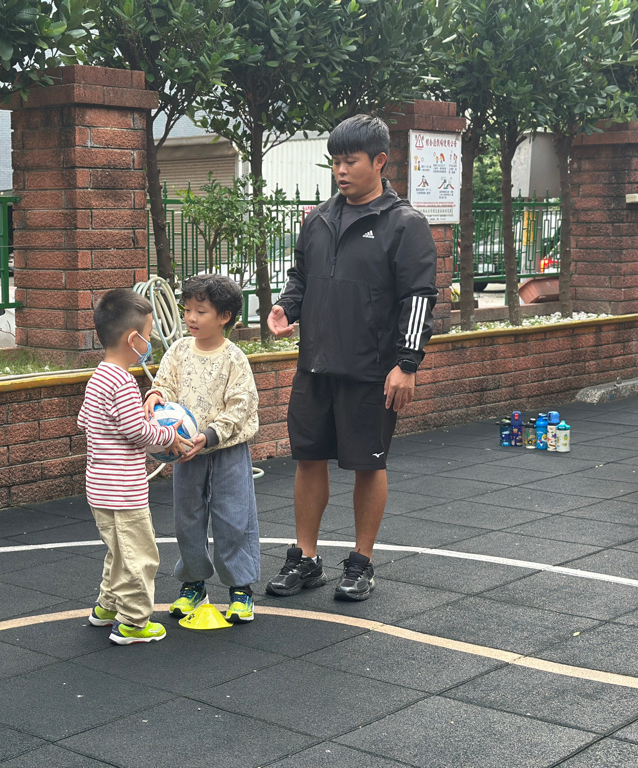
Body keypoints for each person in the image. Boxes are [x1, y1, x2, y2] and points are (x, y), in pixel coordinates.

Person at [264, 114, 437, 602]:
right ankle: (306, 558)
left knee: (368, 465)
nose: (341, 170)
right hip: (315, 365)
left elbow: (419, 297)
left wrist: (407, 364)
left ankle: (361, 563)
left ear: (379, 161)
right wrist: (286, 306)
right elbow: (302, 275)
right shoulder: (318, 219)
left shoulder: (405, 224)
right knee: (308, 459)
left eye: (350, 161)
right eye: (335, 161)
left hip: (371, 371)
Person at [78, 288, 193, 645]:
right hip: (124, 491)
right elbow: (138, 432)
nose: (150, 342)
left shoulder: (99, 377)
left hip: (100, 488)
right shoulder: (123, 382)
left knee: (119, 552)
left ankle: (107, 607)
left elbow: (84, 421)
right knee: (140, 555)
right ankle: (133, 622)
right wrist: (168, 435)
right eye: (148, 334)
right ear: (133, 339)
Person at [144, 274, 261, 624]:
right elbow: (164, 383)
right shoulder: (179, 351)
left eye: (201, 311)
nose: (191, 318)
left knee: (233, 517)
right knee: (187, 519)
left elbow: (240, 406)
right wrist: (155, 395)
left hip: (225, 449)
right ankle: (194, 584)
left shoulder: (234, 358)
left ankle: (240, 589)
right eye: (187, 310)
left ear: (224, 317)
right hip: (185, 452)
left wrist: (210, 435)